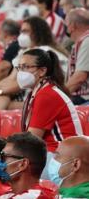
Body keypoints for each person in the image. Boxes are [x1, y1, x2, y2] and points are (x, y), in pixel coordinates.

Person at [18, 48, 83, 178]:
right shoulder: (38, 92)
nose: (20, 72)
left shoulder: (46, 95)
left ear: (42, 71)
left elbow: (32, 139)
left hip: (66, 157)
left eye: (25, 67)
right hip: (55, 153)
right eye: (19, 68)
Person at [0, 17, 69, 110]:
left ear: (37, 33)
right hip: (31, 95)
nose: (22, 35)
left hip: (49, 97)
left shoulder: (44, 51)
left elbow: (21, 83)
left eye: (26, 31)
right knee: (2, 99)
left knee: (2, 99)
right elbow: (11, 78)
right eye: (21, 32)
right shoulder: (26, 51)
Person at [65, 8, 89, 104]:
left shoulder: (87, 41)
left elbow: (79, 78)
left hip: (85, 99)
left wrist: (59, 95)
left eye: (66, 25)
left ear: (72, 26)